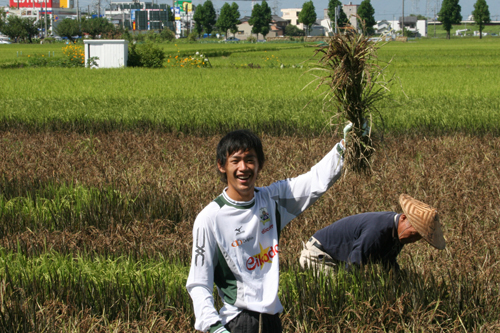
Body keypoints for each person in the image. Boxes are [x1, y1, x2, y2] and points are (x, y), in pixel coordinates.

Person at [186, 128, 349, 333]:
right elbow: (198, 282)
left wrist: (344, 148)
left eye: (250, 159)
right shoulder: (209, 219)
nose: (243, 167)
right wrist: (213, 327)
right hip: (238, 323)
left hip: (272, 322)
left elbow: (313, 182)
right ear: (222, 166)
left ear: (260, 164)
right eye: (235, 161)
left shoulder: (271, 201)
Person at [300, 194, 446, 272]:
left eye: (417, 238)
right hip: (318, 254)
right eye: (413, 233)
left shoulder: (397, 235)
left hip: (336, 258)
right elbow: (354, 263)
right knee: (336, 292)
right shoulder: (379, 230)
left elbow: (387, 261)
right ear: (403, 218)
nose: (412, 239)